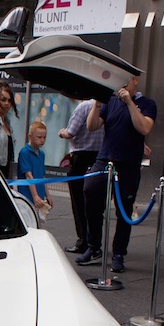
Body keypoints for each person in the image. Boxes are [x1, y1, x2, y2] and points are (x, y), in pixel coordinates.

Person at [77, 74, 157, 273]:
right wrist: (96, 104)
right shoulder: (109, 102)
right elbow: (92, 125)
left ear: (135, 81)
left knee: (124, 208)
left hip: (128, 163)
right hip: (105, 159)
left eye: (125, 81)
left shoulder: (147, 104)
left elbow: (144, 127)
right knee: (90, 192)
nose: (121, 85)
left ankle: (119, 252)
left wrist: (129, 102)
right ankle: (93, 246)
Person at [58, 98, 103, 253]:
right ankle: (95, 242)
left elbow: (71, 132)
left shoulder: (84, 107)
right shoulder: (108, 104)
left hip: (81, 159)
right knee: (97, 205)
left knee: (79, 203)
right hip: (100, 159)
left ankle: (83, 241)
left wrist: (61, 132)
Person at [17, 121, 52, 224]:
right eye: (39, 137)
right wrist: (35, 195)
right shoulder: (25, 152)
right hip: (27, 195)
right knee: (28, 221)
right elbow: (28, 175)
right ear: (30, 136)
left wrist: (47, 195)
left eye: (44, 137)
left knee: (37, 222)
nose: (42, 140)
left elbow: (42, 176)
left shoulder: (41, 154)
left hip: (39, 195)